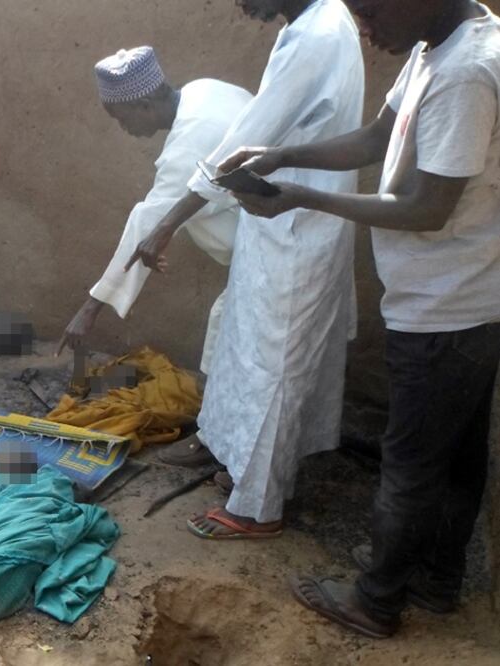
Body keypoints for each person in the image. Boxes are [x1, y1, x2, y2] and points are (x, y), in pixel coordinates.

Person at [220, 0, 500, 639]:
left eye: (371, 13)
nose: (364, 30)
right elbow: (378, 138)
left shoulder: (466, 73)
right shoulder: (438, 47)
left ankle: (375, 601)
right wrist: (279, 154)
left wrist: (300, 194)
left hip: (446, 307)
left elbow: (426, 209)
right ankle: (433, 579)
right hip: (458, 299)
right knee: (453, 457)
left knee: (411, 463)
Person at [129, 0, 364, 539]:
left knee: (273, 369)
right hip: (285, 223)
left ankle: (257, 509)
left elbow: (238, 147)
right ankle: (253, 477)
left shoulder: (315, 36)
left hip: (295, 228)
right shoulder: (316, 22)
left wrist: (167, 225)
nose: (241, 4)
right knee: (260, 360)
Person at [56, 47, 252, 378]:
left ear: (144, 105)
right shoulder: (204, 89)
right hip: (276, 232)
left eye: (122, 119)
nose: (124, 129)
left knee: (233, 344)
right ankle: (215, 424)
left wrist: (90, 310)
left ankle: (217, 428)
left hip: (271, 244)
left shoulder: (190, 142)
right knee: (229, 337)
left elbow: (149, 221)